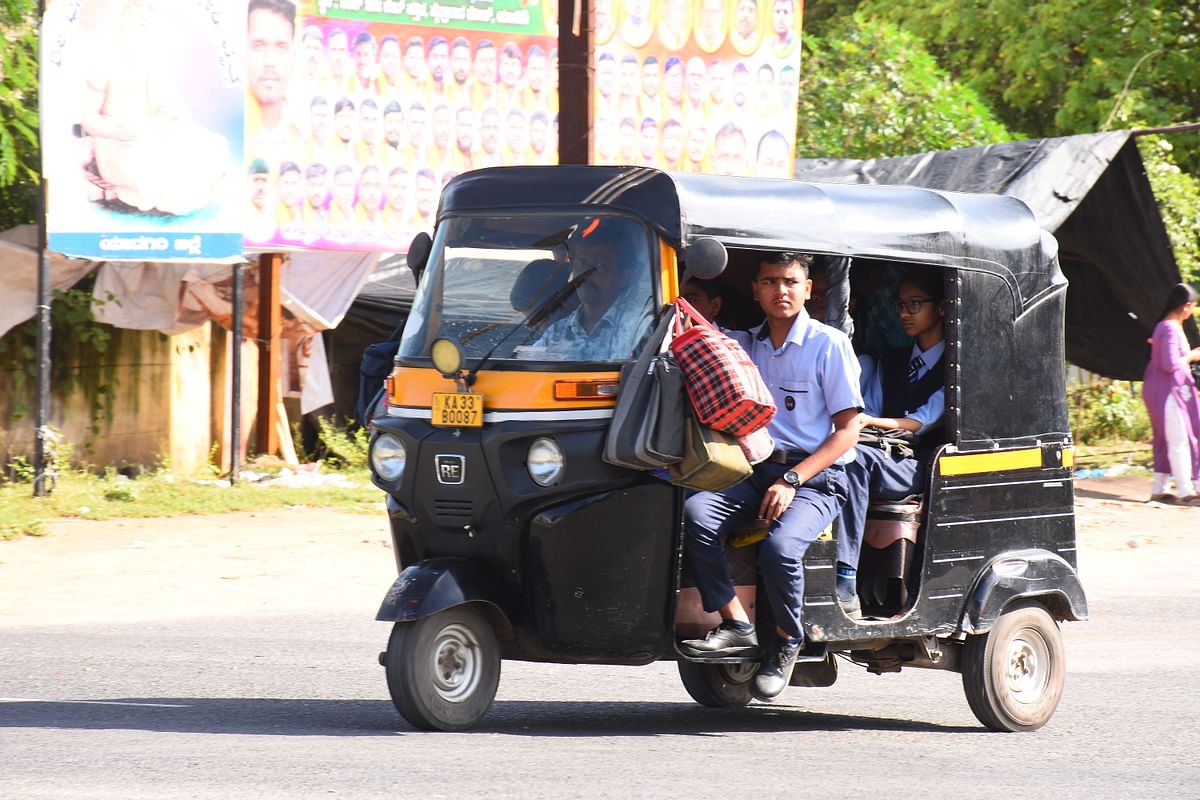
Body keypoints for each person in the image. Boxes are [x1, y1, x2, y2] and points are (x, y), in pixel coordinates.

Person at [681, 252, 863, 701]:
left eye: (789, 281)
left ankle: (785, 642)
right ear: (756, 290)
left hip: (816, 479)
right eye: (769, 282)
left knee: (780, 549)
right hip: (755, 470)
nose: (780, 291)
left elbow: (847, 433)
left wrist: (794, 481)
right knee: (696, 515)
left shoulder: (829, 344)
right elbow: (689, 329)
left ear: (806, 289)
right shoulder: (745, 345)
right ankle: (736, 624)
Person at [835, 271, 946, 616]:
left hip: (918, 466)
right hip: (882, 453)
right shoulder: (892, 361)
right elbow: (871, 409)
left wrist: (866, 422)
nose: (905, 313)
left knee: (855, 460)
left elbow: (919, 422)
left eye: (915, 304)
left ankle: (844, 575)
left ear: (941, 309)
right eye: (901, 305)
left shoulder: (954, 366)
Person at [81, 0, 230, 215]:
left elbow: (173, 110)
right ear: (124, 14)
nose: (144, 15)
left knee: (214, 146)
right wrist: (117, 132)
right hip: (118, 144)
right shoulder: (107, 57)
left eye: (150, 9)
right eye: (138, 8)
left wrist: (165, 120)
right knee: (150, 176)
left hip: (154, 136)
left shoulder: (156, 56)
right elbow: (88, 118)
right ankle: (143, 191)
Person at [532, 221, 653, 362]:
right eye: (581, 263)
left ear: (623, 277)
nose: (586, 273)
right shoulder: (557, 332)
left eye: (601, 265)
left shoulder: (640, 326)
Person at [1142, 283, 1200, 505]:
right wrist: (1192, 356)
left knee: (1166, 441)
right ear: (1185, 306)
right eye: (1192, 307)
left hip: (1162, 390)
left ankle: (1159, 489)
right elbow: (1169, 364)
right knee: (1180, 440)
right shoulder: (1169, 328)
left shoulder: (1166, 327)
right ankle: (1186, 491)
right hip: (1168, 392)